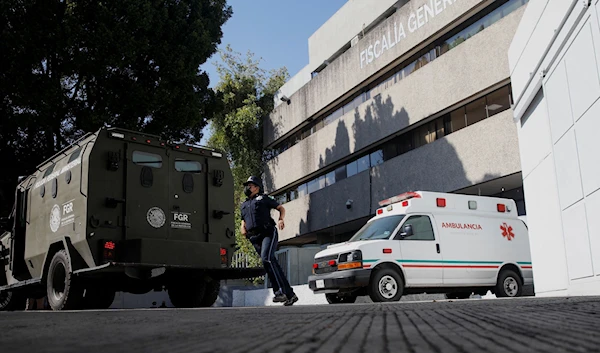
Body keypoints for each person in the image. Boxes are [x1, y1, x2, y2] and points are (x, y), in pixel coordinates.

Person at [240, 176, 298, 306]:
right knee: (271, 263)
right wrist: (242, 228)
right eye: (247, 185)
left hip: (268, 233)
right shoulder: (243, 204)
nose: (247, 188)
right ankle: (290, 295)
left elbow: (281, 208)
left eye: (250, 185)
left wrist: (281, 219)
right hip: (254, 237)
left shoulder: (264, 199)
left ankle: (279, 292)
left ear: (257, 187)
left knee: (266, 259)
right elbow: (243, 220)